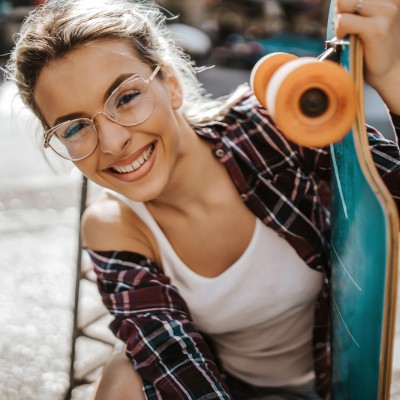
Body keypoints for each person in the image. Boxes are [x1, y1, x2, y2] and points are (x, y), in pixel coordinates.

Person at [4, 0, 400, 399]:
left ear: (171, 85)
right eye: (74, 128)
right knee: (122, 379)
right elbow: (173, 362)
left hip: (340, 383)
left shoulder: (271, 129)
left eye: (125, 98)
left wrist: (392, 76)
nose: (112, 142)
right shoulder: (114, 226)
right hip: (225, 389)